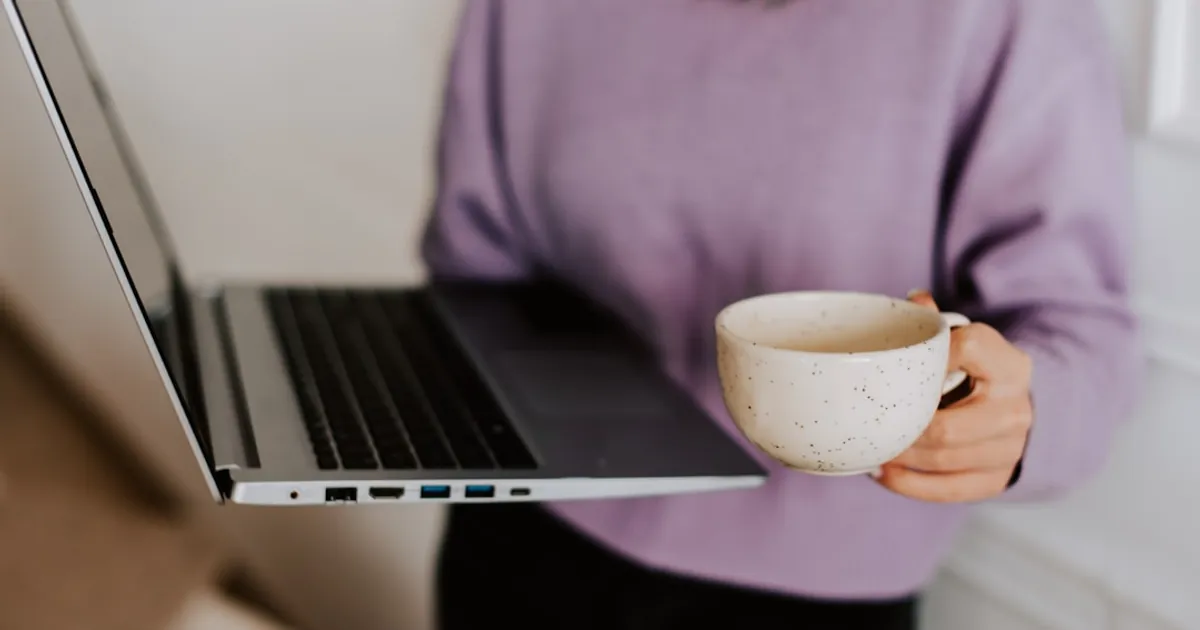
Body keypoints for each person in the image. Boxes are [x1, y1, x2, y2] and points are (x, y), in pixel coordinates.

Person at [421, 1, 1140, 628]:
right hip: (528, 523)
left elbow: (1079, 332)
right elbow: (474, 266)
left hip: (814, 593)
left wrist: (1018, 418)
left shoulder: (1009, 16)